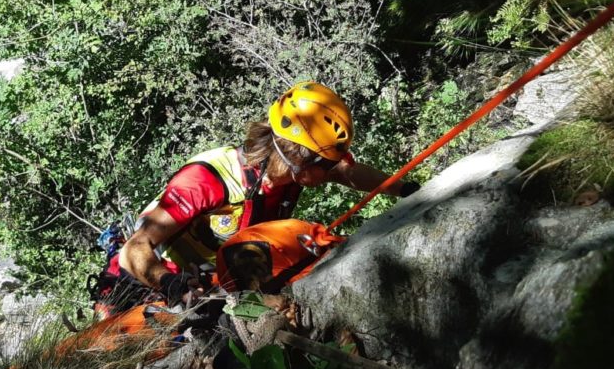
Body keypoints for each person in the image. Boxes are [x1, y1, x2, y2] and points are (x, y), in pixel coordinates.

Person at [118, 81, 419, 306]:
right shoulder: (207, 179)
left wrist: (406, 189)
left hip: (212, 283)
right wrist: (171, 285)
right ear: (299, 160)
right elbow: (133, 250)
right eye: (327, 164)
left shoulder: (289, 175)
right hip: (152, 284)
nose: (333, 171)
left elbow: (347, 173)